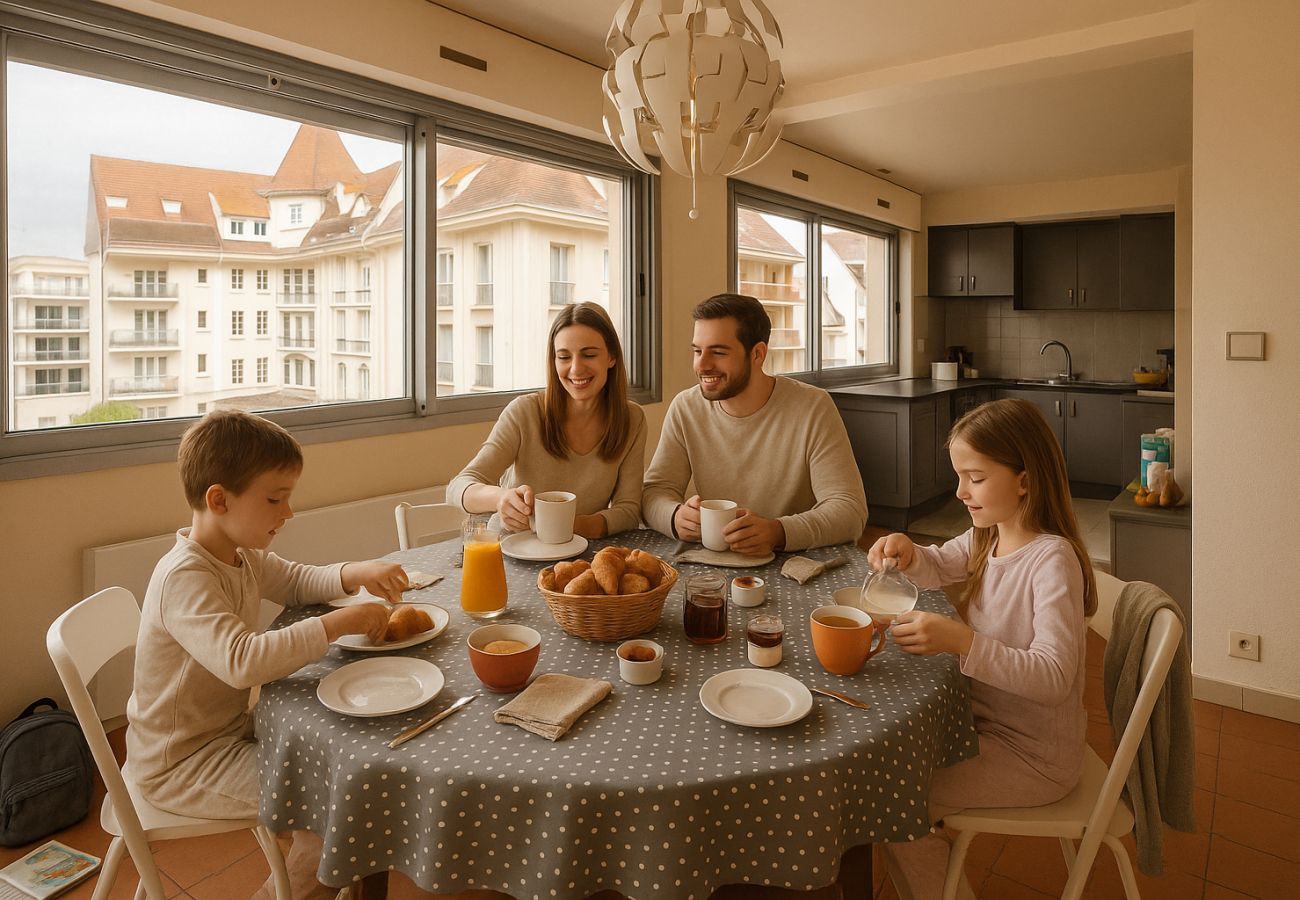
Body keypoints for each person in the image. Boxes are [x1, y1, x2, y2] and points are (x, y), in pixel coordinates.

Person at [126, 409, 408, 900]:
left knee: (339, 754)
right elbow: (243, 662)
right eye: (275, 498)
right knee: (337, 805)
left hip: (226, 732)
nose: (288, 512)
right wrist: (338, 622)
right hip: (181, 763)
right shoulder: (185, 577)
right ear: (219, 499)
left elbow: (297, 581)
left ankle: (318, 859)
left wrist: (355, 572)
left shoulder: (239, 554)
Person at [867, 398, 1097, 900]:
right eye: (959, 476)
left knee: (890, 798)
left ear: (1025, 479)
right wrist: (907, 552)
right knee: (891, 773)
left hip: (1034, 757)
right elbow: (937, 564)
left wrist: (961, 641)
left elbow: (1054, 676)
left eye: (974, 477)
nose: (959, 491)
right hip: (983, 727)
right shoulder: (986, 535)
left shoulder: (1051, 560)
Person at [642, 293, 867, 555]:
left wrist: (778, 532)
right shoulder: (686, 408)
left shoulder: (812, 407)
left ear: (758, 354)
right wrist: (675, 516)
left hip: (795, 563)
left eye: (718, 352)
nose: (701, 365)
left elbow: (849, 510)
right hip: (715, 564)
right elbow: (653, 492)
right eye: (697, 351)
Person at [448, 301, 646, 538]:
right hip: (510, 552)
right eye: (563, 357)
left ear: (612, 357)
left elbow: (629, 511)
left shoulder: (632, 419)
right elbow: (458, 487)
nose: (575, 369)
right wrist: (501, 498)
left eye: (589, 354)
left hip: (581, 557)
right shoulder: (524, 412)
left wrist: (565, 526)